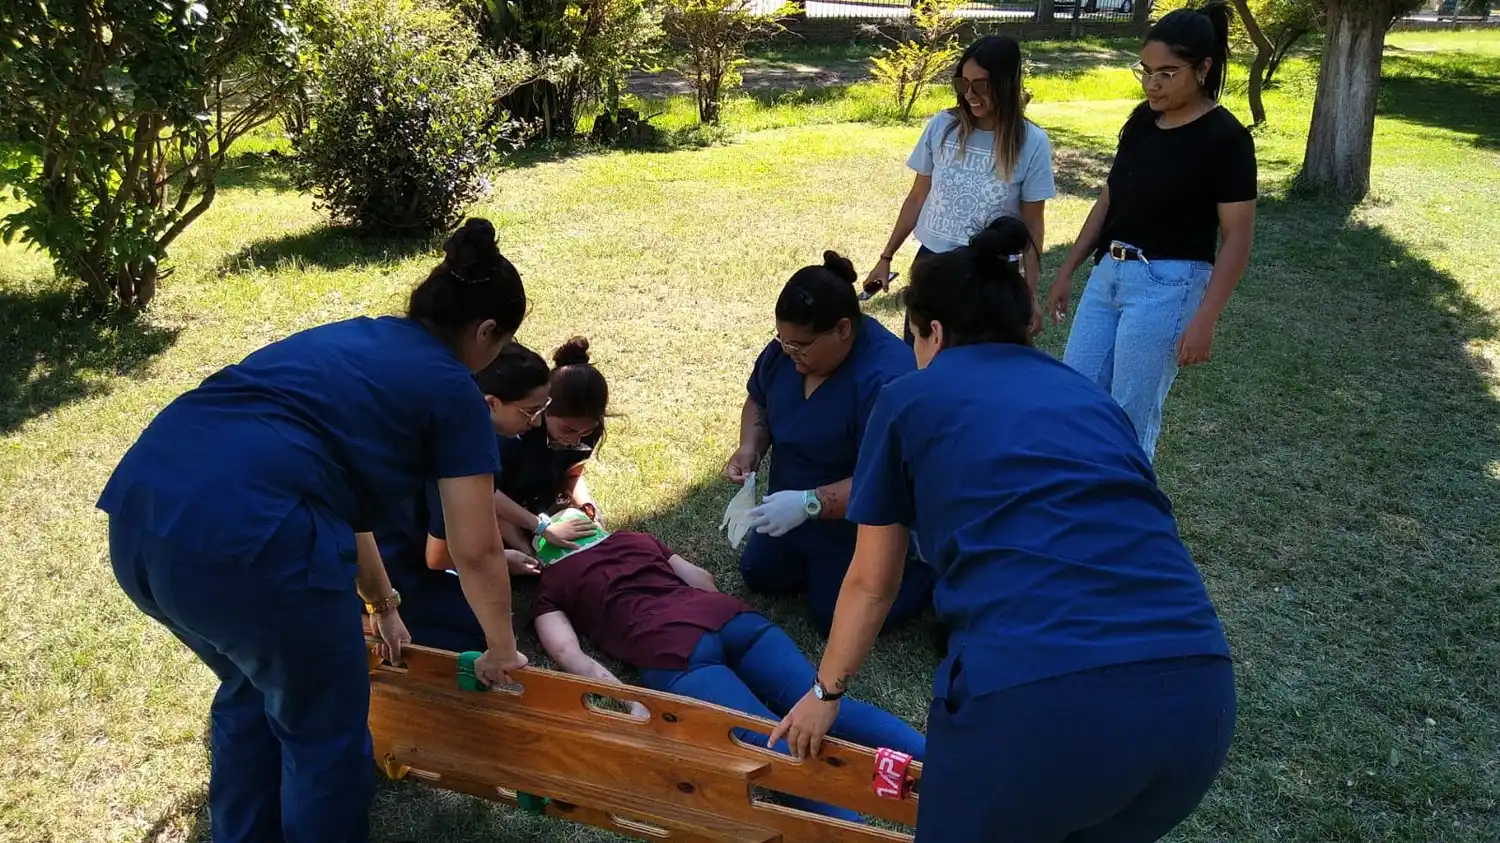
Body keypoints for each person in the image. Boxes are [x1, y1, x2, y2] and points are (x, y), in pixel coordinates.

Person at [770, 217, 1236, 843]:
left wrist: (826, 692)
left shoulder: (910, 398)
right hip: (1197, 701)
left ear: (932, 333)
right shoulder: (1090, 398)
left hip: (1039, 703)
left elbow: (872, 582)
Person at [97, 219, 535, 843]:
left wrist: (383, 603)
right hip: (252, 547)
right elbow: (476, 546)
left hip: (142, 520)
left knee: (254, 685)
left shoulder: (354, 338)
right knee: (325, 735)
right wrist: (499, 645)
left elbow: (341, 498)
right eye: (501, 343)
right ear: (486, 331)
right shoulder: (452, 390)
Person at [524, 510, 927, 823]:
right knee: (817, 700)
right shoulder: (635, 540)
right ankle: (933, 762)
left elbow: (568, 654)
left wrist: (631, 700)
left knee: (767, 739)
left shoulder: (552, 586)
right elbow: (701, 578)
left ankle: (848, 827)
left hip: (671, 654)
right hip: (731, 619)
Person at [1046, 3, 1257, 462]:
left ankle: (1122, 520)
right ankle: (1074, 508)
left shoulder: (1227, 139)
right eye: (1144, 71)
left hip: (1168, 285)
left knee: (1128, 417)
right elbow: (1108, 200)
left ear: (1203, 68)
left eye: (1167, 72)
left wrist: (1206, 317)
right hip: (1109, 274)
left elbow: (1237, 237)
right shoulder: (1142, 122)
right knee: (1073, 399)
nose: (1152, 84)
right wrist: (1068, 269)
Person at [723, 251, 934, 637]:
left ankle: (920, 571)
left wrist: (810, 502)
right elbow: (760, 398)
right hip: (791, 505)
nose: (790, 354)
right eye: (783, 342)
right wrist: (749, 447)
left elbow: (887, 480)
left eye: (801, 346)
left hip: (861, 522)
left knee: (832, 614)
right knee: (759, 573)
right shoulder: (787, 353)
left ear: (842, 330)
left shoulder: (886, 377)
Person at [376, 341, 595, 652]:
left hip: (398, 540)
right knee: (478, 634)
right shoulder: (462, 451)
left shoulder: (463, 423)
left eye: (542, 410)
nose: (535, 422)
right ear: (492, 403)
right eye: (531, 411)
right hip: (384, 559)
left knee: (485, 618)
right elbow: (438, 556)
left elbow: (484, 505)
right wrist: (502, 560)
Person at [865, 34, 1056, 340]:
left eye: (981, 85)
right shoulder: (942, 126)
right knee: (920, 363)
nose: (969, 94)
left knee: (976, 374)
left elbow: (1033, 225)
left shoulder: (1032, 142)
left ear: (1006, 83)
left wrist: (1029, 294)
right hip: (933, 267)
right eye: (962, 84)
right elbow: (918, 196)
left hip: (991, 277)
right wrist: (886, 257)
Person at [490, 336, 611, 553]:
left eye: (586, 431)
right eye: (568, 430)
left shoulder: (585, 434)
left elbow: (572, 474)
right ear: (545, 410)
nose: (575, 441)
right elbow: (488, 495)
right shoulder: (514, 435)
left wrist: (588, 508)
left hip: (537, 510)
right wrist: (527, 548)